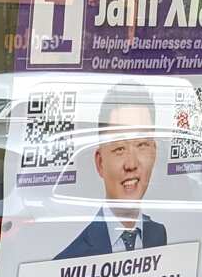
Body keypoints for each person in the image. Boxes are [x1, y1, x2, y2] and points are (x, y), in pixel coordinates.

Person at [56, 83, 168, 259]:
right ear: (100, 163)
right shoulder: (71, 259)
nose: (131, 163)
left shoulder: (158, 235)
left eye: (141, 145)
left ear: (154, 153)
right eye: (119, 148)